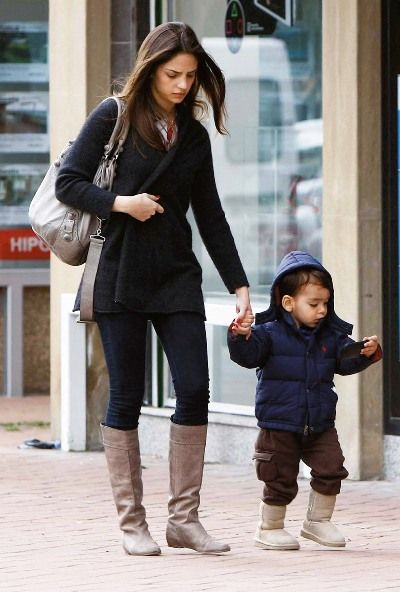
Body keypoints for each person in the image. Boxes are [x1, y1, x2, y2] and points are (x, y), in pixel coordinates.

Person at [55, 22, 251, 556]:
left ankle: (183, 520)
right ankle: (132, 524)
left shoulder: (193, 135)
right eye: (173, 75)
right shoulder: (114, 116)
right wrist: (123, 204)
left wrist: (239, 284)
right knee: (126, 395)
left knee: (193, 386)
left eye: (191, 76)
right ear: (151, 69)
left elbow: (210, 214)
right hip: (119, 271)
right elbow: (68, 181)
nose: (183, 85)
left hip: (175, 274)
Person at [227, 250, 382, 551]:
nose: (322, 310)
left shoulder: (332, 337)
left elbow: (344, 362)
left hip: (320, 421)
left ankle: (318, 522)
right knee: (279, 476)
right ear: (288, 303)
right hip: (279, 421)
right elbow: (247, 356)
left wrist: (365, 353)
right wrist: (240, 336)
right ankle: (269, 527)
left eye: (325, 302)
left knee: (331, 467)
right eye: (313, 304)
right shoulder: (268, 334)